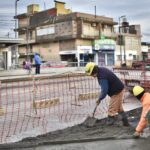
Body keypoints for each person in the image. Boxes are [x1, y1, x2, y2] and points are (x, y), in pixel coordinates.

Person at [85, 62, 129, 126]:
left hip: (117, 92)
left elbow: (104, 91)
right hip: (119, 89)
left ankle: (109, 126)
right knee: (119, 108)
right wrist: (100, 98)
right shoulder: (101, 70)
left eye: (91, 74)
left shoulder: (102, 76)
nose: (91, 76)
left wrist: (99, 99)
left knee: (111, 110)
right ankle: (126, 123)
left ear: (94, 70)